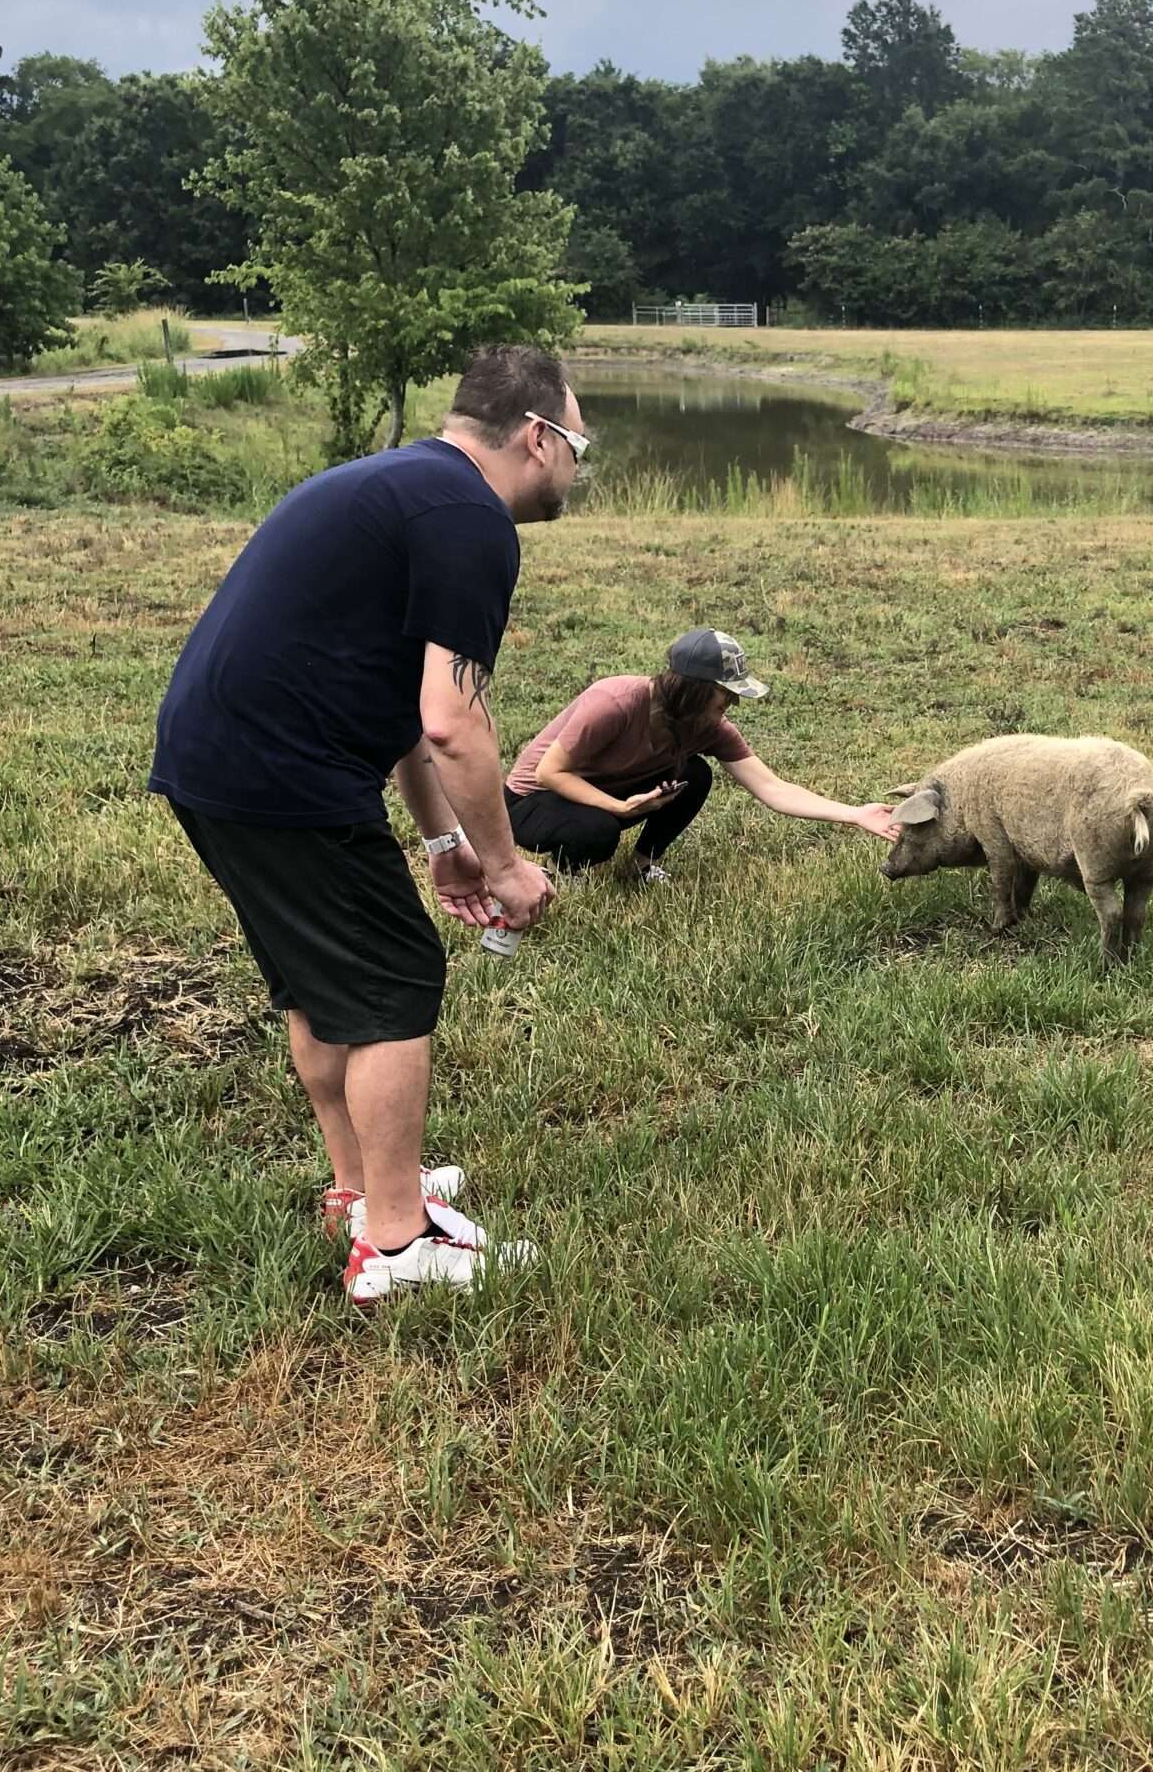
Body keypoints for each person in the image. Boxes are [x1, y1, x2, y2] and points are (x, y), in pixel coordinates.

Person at [148, 344, 583, 1305]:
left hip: (214, 758)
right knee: (395, 979)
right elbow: (452, 720)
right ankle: (398, 1245)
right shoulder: (472, 520)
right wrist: (508, 866)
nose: (576, 469)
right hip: (280, 770)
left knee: (322, 985)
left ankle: (360, 1191)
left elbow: (395, 709)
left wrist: (444, 847)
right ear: (537, 438)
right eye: (578, 444)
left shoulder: (400, 484)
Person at [504, 628, 901, 878]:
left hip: (612, 797)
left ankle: (642, 864)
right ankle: (557, 872)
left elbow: (772, 788)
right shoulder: (615, 702)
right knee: (597, 832)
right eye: (725, 693)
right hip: (533, 801)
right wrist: (620, 808)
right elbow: (549, 773)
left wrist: (854, 814)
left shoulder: (707, 726)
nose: (733, 703)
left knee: (695, 774)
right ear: (692, 688)